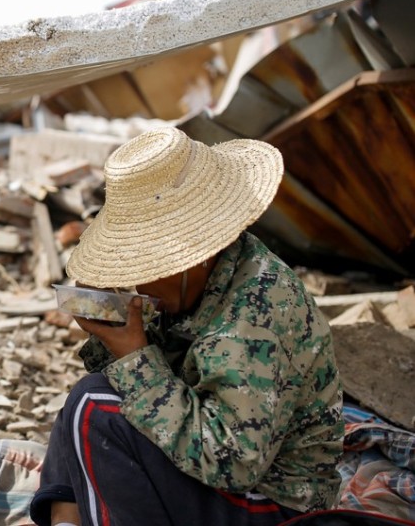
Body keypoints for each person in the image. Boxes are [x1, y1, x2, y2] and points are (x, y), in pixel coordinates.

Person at [30, 126, 343, 526]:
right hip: (228, 478)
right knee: (89, 397)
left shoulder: (252, 318)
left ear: (191, 258)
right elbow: (158, 381)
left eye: (147, 269)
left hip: (277, 506)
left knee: (95, 410)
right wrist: (111, 335)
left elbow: (233, 464)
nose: (139, 285)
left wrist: (133, 356)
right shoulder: (214, 277)